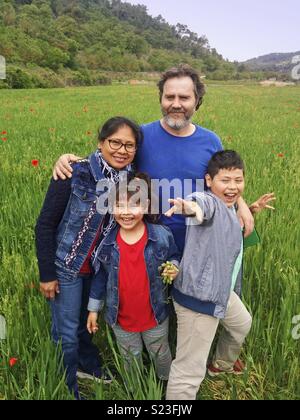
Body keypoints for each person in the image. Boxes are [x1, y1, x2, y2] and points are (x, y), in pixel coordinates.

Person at [52, 64, 254, 256]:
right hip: (147, 245)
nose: (176, 104)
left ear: (197, 101)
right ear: (161, 99)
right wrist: (71, 160)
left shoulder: (211, 141)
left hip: (197, 243)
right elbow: (107, 161)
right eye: (169, 97)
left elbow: (223, 178)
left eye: (184, 97)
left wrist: (240, 204)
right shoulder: (142, 135)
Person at [35, 117, 143, 399]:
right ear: (100, 142)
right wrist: (47, 274)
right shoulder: (74, 172)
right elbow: (45, 224)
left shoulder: (132, 181)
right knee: (66, 333)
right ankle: (67, 388)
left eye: (129, 145)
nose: (121, 150)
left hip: (98, 268)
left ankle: (87, 365)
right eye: (115, 142)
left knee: (86, 325)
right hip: (67, 266)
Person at [164, 150, 276, 400]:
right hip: (199, 299)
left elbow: (227, 226)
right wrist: (186, 207)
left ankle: (221, 366)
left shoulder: (229, 206)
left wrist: (252, 209)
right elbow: (200, 208)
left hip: (220, 290)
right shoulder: (208, 201)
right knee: (188, 369)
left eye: (238, 180)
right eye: (225, 180)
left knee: (241, 324)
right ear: (209, 180)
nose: (233, 186)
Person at [87, 173, 181, 380]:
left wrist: (173, 268)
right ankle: (135, 387)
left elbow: (174, 256)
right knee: (130, 356)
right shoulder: (108, 243)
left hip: (155, 316)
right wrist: (94, 309)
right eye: (120, 206)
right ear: (111, 208)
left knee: (160, 352)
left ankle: (166, 383)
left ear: (147, 206)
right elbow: (101, 278)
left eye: (134, 205)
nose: (127, 212)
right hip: (121, 319)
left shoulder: (161, 236)